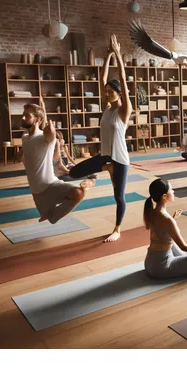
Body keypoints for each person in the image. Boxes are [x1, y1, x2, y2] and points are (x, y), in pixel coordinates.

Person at [68, 34, 132, 242]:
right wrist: (107, 56)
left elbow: (122, 79)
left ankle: (117, 229)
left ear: (119, 94)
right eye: (105, 91)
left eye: (110, 92)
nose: (106, 93)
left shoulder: (124, 111)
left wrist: (119, 57)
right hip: (106, 157)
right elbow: (101, 79)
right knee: (74, 172)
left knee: (119, 197)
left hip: (120, 159)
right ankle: (106, 168)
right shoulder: (106, 109)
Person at [21, 100, 94, 224]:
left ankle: (54, 215)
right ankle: (51, 215)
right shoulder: (25, 138)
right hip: (37, 193)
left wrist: (49, 123)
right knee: (47, 217)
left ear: (37, 120)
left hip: (51, 185)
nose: (23, 118)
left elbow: (51, 133)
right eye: (23, 114)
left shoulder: (44, 138)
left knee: (78, 193)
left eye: (27, 116)